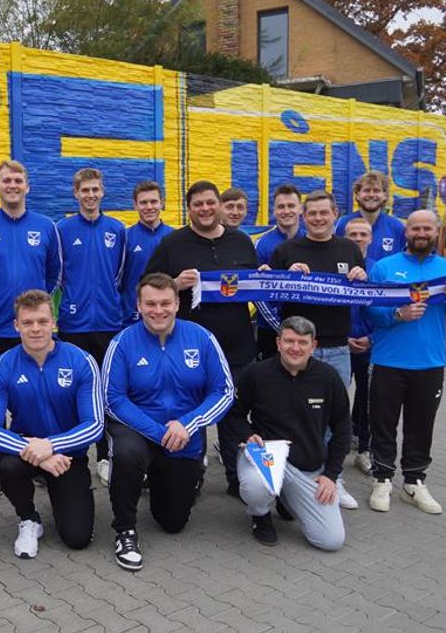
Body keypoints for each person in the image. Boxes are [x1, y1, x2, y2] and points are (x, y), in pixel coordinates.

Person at [104, 273, 234, 571]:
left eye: (165, 303)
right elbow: (113, 399)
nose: (158, 310)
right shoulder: (122, 342)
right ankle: (124, 530)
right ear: (139, 304)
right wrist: (159, 432)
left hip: (183, 436)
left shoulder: (202, 337)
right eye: (150, 304)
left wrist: (188, 424)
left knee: (172, 523)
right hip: (139, 431)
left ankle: (164, 477)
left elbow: (224, 391)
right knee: (126, 454)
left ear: (177, 303)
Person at [144, 180, 258, 499]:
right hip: (187, 351)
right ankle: (189, 477)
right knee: (189, 415)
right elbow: (147, 286)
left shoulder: (242, 242)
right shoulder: (172, 243)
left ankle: (240, 481)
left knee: (234, 415)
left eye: (210, 202)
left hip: (237, 347)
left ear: (220, 205)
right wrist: (174, 283)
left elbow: (256, 284)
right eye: (198, 204)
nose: (205, 209)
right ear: (189, 208)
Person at [0, 290, 103, 559]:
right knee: (8, 465)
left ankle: (66, 498)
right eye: (27, 323)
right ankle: (29, 519)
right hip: (26, 450)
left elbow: (94, 425)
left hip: (67, 456)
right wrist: (38, 453)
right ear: (16, 325)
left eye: (42, 321)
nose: (35, 329)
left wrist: (51, 446)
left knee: (77, 538)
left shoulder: (81, 361)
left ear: (53, 322)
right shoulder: (1, 366)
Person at [364, 210, 446, 515]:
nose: (421, 233)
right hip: (388, 361)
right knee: (382, 424)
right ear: (406, 232)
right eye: (415, 228)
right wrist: (398, 315)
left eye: (427, 228)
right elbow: (369, 312)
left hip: (430, 363)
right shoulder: (385, 268)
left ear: (436, 231)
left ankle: (414, 482)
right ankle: (382, 478)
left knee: (421, 426)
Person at [269, 189, 367, 509]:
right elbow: (270, 296)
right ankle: (294, 480)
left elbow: (361, 296)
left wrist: (360, 277)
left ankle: (333, 479)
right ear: (303, 216)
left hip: (337, 347)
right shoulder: (285, 250)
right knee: (293, 415)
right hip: (295, 349)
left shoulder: (350, 249)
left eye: (324, 213)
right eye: (312, 213)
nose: (318, 218)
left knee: (334, 419)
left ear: (335, 215)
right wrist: (285, 277)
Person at [0, 160, 62, 496]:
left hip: (34, 332)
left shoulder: (46, 226)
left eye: (18, 180)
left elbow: (53, 274)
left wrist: (37, 313)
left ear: (28, 186)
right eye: (6, 180)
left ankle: (37, 458)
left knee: (37, 395)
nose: (12, 185)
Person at [231, 316, 350, 551]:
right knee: (255, 487)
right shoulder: (256, 374)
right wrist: (247, 435)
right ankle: (260, 515)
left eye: (303, 342)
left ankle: (286, 499)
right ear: (278, 342)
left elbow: (343, 428)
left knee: (331, 540)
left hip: (309, 468)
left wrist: (331, 475)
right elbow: (234, 415)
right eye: (289, 341)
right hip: (266, 458)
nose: (295, 348)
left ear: (313, 345)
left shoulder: (328, 377)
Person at [56, 167, 125, 486]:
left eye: (96, 189)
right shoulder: (63, 229)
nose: (91, 195)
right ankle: (73, 454)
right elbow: (56, 276)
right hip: (74, 323)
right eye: (85, 190)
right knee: (73, 389)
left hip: (109, 323)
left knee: (106, 390)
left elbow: (120, 276)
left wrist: (112, 306)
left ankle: (105, 455)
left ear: (102, 191)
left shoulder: (117, 229)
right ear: (76, 193)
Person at [254, 184, 304, 360]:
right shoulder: (262, 244)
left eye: (291, 206)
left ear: (300, 209)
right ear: (273, 211)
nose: (286, 211)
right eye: (281, 206)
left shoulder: (311, 240)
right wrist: (278, 326)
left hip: (305, 331)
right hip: (270, 330)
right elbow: (257, 292)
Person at [343, 217, 376, 473]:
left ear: (371, 238)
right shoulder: (334, 267)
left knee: (368, 401)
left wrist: (371, 338)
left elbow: (387, 309)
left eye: (363, 234)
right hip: (339, 345)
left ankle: (365, 449)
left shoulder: (379, 269)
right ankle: (334, 447)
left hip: (369, 346)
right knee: (335, 399)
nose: (357, 238)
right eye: (352, 234)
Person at [120, 181, 174, 327]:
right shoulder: (125, 238)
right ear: (135, 205)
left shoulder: (174, 237)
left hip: (165, 316)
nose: (149, 207)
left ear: (162, 203)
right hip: (132, 318)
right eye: (143, 202)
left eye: (154, 201)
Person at [335, 171, 405, 262]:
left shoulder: (397, 227)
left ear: (385, 195)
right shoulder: (343, 224)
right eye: (367, 190)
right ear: (357, 195)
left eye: (376, 191)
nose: (371, 195)